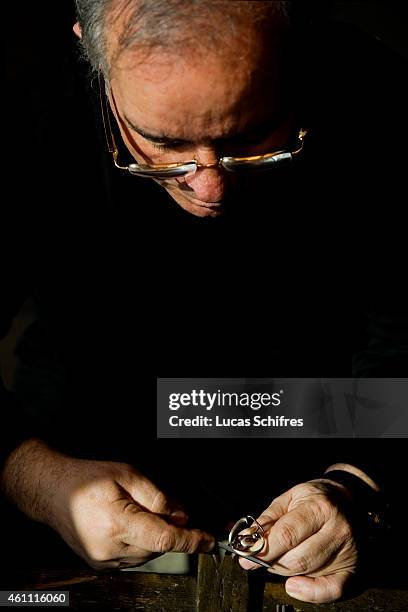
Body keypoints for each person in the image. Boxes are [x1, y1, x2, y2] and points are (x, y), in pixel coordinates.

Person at [1, 0, 407, 604]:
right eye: (162, 141)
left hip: (333, 420)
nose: (210, 188)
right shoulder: (25, 110)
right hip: (84, 442)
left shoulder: (382, 94)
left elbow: (401, 336)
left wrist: (364, 482)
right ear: (92, 53)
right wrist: (34, 476)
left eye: (248, 136)